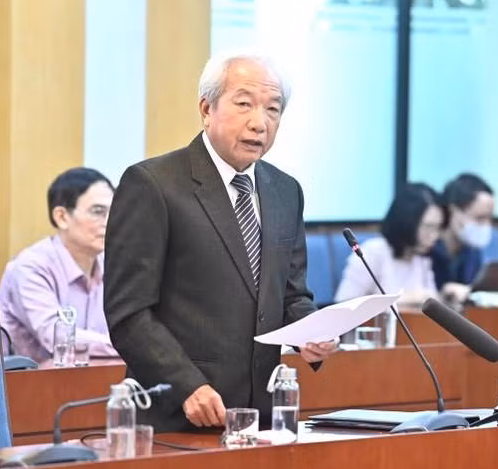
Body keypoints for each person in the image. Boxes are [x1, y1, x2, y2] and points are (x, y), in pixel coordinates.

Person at [104, 53, 337, 432]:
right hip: (177, 416)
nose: (259, 122)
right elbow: (129, 314)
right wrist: (187, 386)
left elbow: (291, 295)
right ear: (206, 108)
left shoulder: (285, 191)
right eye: (244, 104)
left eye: (273, 109)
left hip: (262, 418)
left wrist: (311, 333)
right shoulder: (153, 185)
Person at [0, 168, 118, 362]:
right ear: (62, 217)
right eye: (98, 212)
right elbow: (57, 338)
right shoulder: (30, 268)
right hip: (28, 385)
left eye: (114, 212)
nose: (110, 222)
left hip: (93, 380)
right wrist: (129, 344)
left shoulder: (112, 265)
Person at [334, 183, 442, 307]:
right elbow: (344, 303)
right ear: (407, 220)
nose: (434, 236)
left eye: (437, 228)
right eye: (428, 227)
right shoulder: (374, 251)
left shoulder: (421, 257)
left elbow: (430, 301)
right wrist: (405, 298)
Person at [430, 173, 496, 302]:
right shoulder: (426, 247)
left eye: (490, 218)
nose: (486, 225)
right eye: (480, 218)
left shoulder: (472, 250)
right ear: (454, 210)